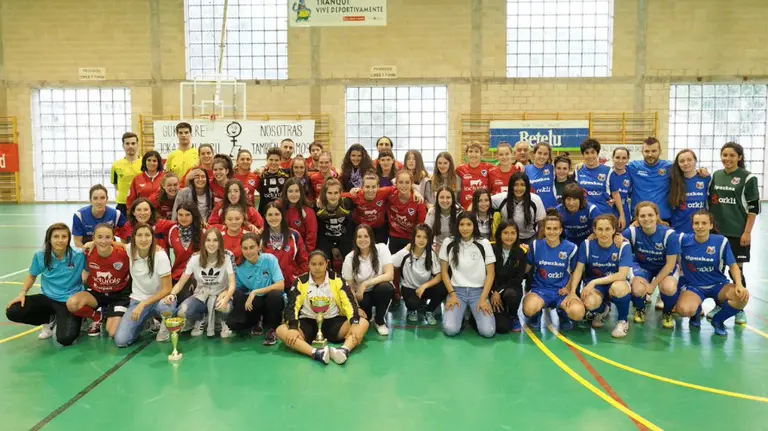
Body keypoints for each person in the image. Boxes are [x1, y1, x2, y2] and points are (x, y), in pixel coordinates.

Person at [278, 250, 369, 365]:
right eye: (313, 264)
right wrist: (292, 327)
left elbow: (349, 302)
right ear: (308, 265)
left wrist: (354, 322)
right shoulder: (300, 281)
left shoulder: (337, 279)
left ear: (327, 263)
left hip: (334, 321)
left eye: (321, 264)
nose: (317, 267)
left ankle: (343, 350)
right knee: (281, 330)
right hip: (307, 322)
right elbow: (292, 305)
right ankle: (316, 353)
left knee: (363, 323)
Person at [5, 223, 85, 346]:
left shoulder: (79, 255)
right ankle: (49, 319)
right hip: (47, 297)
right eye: (56, 236)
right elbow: (32, 275)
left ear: (69, 239)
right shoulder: (40, 255)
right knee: (13, 311)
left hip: (69, 301)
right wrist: (22, 293)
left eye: (64, 236)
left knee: (65, 339)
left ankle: (79, 317)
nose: (60, 240)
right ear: (49, 239)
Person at [707, 142, 759, 325]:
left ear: (739, 157)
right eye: (724, 155)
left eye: (731, 155)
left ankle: (739, 308)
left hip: (737, 233)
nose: (727, 159)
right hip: (717, 233)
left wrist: (747, 232)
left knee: (736, 271)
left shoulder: (748, 178)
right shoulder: (716, 175)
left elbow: (753, 209)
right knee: (717, 270)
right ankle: (719, 304)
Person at [675, 211, 750, 336]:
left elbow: (733, 266)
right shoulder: (683, 239)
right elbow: (664, 234)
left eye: (704, 223)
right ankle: (696, 312)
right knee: (684, 310)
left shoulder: (721, 241)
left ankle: (718, 320)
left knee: (741, 298)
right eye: (696, 223)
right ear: (692, 225)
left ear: (711, 225)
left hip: (718, 285)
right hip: (694, 286)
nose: (700, 226)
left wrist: (739, 284)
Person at [569, 215, 633, 338]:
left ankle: (622, 321)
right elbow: (578, 270)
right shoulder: (587, 245)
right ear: (594, 230)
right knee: (588, 302)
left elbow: (622, 274)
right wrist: (572, 292)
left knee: (619, 288)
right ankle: (602, 309)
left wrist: (594, 282)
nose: (603, 233)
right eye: (600, 229)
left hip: (615, 282)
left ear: (614, 230)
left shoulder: (623, 245)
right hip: (596, 286)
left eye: (607, 229)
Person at [164, 228, 235, 338]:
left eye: (215, 240)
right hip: (201, 295)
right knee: (182, 312)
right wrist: (172, 294)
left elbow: (232, 284)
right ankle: (201, 318)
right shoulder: (194, 258)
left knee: (224, 308)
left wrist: (226, 298)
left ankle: (221, 321)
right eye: (208, 240)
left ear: (220, 243)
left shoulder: (227, 257)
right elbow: (181, 283)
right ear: (203, 242)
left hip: (220, 295)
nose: (211, 244)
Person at [113, 223, 175, 347]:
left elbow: (167, 289)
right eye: (139, 235)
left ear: (152, 238)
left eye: (147, 235)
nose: (143, 239)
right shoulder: (130, 250)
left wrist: (143, 304)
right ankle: (147, 321)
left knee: (167, 307)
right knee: (121, 340)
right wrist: (92, 243)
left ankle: (165, 328)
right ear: (134, 238)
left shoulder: (160, 256)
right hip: (138, 300)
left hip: (159, 300)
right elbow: (115, 244)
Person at [522, 214, 585, 330]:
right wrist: (519, 254)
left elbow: (574, 272)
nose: (552, 232)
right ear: (544, 230)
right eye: (549, 228)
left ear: (561, 230)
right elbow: (526, 268)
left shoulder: (571, 248)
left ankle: (562, 313)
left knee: (578, 313)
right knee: (529, 309)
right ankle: (536, 314)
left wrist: (568, 288)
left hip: (561, 291)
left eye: (555, 229)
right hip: (540, 290)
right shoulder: (536, 245)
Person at [67, 223, 131, 337]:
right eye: (99, 237)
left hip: (119, 295)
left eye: (107, 237)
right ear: (93, 238)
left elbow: (138, 249)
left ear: (113, 239)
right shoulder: (87, 252)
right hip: (97, 293)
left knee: (113, 333)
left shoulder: (123, 253)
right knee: (72, 303)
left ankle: (114, 312)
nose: (103, 241)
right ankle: (97, 316)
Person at [624, 202, 680, 328]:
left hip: (664, 267)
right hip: (642, 266)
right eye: (642, 216)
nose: (647, 219)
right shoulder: (632, 232)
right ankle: (640, 308)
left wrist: (652, 285)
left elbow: (670, 265)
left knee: (669, 287)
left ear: (657, 216)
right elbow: (615, 239)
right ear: (637, 218)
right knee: (637, 289)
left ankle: (667, 312)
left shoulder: (669, 235)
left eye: (650, 215)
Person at [440, 213, 496, 338]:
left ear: (474, 226)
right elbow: (444, 272)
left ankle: (470, 314)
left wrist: (483, 298)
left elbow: (491, 273)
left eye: (469, 224)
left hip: (478, 292)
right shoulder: (448, 242)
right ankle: (463, 312)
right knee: (450, 330)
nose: (465, 228)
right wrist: (452, 294)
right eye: (461, 224)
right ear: (457, 226)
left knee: (488, 332)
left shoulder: (484, 243)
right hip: (457, 292)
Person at [226, 233, 285, 345]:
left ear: (259, 246)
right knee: (238, 296)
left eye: (252, 247)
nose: (249, 252)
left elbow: (280, 285)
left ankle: (272, 329)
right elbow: (236, 288)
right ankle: (255, 321)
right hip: (255, 303)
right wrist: (224, 294)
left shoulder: (269, 259)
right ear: (241, 249)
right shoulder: (240, 267)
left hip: (271, 302)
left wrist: (255, 291)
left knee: (275, 295)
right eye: (245, 248)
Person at [342, 224, 395, 336]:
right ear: (355, 239)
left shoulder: (382, 249)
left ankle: (379, 320)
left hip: (377, 290)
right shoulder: (349, 258)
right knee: (366, 318)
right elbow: (349, 287)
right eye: (359, 237)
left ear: (371, 237)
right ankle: (368, 315)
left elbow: (390, 275)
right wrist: (356, 308)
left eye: (366, 236)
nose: (362, 240)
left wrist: (365, 284)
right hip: (361, 295)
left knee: (386, 288)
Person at [392, 224, 445, 325]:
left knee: (443, 287)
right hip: (409, 288)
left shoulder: (431, 254)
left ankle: (429, 310)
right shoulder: (406, 252)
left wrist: (424, 286)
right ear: (413, 238)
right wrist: (405, 249)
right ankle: (412, 309)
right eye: (418, 236)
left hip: (424, 288)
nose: (421, 240)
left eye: (425, 237)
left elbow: (439, 276)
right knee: (413, 304)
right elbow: (390, 263)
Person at [490, 221, 527, 333]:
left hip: (511, 289)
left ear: (517, 235)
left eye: (513, 233)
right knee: (502, 328)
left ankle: (513, 315)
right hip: (491, 290)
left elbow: (518, 278)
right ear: (499, 234)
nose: (509, 236)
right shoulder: (491, 250)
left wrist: (499, 292)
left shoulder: (521, 253)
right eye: (505, 233)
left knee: (511, 295)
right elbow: (487, 274)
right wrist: (493, 292)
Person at [261, 202, 309, 287]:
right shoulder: (260, 238)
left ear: (282, 215)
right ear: (265, 216)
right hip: (269, 286)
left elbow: (303, 261)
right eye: (270, 215)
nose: (273, 218)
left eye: (277, 214)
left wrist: (298, 280)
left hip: (292, 284)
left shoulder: (294, 235)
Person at [491, 172, 546, 244]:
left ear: (527, 186)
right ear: (511, 186)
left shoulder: (536, 200)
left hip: (530, 238)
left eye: (522, 185)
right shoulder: (501, 198)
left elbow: (542, 226)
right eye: (516, 185)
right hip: (508, 238)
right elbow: (482, 200)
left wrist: (536, 245)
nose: (519, 188)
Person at [626, 137, 673, 221]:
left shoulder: (670, 167)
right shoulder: (633, 167)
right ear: (642, 152)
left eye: (654, 151)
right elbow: (616, 171)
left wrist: (698, 171)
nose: (650, 154)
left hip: (663, 219)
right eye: (647, 151)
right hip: (639, 219)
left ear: (660, 151)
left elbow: (687, 172)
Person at [315, 178, 356, 267]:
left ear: (340, 193)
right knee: (322, 260)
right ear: (324, 194)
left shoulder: (347, 203)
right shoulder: (318, 206)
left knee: (351, 261)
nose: (333, 196)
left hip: (344, 238)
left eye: (336, 193)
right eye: (329, 193)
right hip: (325, 238)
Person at [669, 149, 710, 233]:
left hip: (699, 229)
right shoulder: (673, 181)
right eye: (682, 161)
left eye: (689, 160)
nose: (686, 163)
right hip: (678, 228)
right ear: (678, 164)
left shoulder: (705, 178)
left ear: (695, 161)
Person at [387, 170, 427, 253]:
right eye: (401, 182)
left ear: (412, 184)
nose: (404, 185)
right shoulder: (390, 196)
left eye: (407, 182)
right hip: (394, 236)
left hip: (411, 237)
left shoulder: (418, 201)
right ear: (396, 184)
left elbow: (420, 225)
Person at [574, 139, 614, 216]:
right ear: (583, 154)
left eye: (593, 152)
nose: (590, 156)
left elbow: (615, 193)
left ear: (597, 153)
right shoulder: (577, 170)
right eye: (587, 153)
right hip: (584, 213)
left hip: (603, 213)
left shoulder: (608, 171)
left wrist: (621, 214)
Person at [280, 177, 318, 251]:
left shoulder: (308, 212)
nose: (293, 194)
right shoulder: (279, 209)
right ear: (285, 193)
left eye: (297, 191)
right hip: (283, 248)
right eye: (290, 191)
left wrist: (305, 252)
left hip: (301, 250)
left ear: (301, 193)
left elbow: (311, 236)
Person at [110, 132, 142, 214]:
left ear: (137, 145)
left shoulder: (145, 163)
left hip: (140, 203)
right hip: (122, 204)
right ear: (123, 145)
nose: (130, 146)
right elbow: (116, 185)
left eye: (133, 143)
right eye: (127, 143)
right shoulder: (116, 165)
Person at [456, 142, 493, 210]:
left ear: (481, 154)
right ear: (466, 153)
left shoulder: (489, 167)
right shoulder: (460, 169)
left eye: (476, 151)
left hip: (483, 208)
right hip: (465, 209)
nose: (473, 154)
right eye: (470, 151)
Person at [426, 186, 463, 250]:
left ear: (452, 199)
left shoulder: (460, 212)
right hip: (437, 247)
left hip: (456, 247)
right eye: (442, 197)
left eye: (448, 197)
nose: (445, 200)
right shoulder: (432, 211)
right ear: (437, 199)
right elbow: (426, 233)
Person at [524, 143, 557, 209]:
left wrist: (578, 166)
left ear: (548, 156)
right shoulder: (525, 169)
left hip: (551, 209)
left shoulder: (553, 168)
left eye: (545, 154)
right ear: (534, 154)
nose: (542, 156)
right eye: (539, 153)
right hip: (533, 209)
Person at [258, 147, 290, 214]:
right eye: (271, 160)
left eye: (276, 160)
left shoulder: (287, 174)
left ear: (280, 161)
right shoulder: (261, 175)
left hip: (282, 213)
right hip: (264, 213)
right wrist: (262, 168)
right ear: (267, 160)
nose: (273, 162)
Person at [607, 147, 631, 229]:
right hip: (608, 212)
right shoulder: (607, 173)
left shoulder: (631, 174)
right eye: (617, 157)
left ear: (627, 159)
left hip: (624, 213)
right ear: (613, 158)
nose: (620, 161)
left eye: (624, 158)